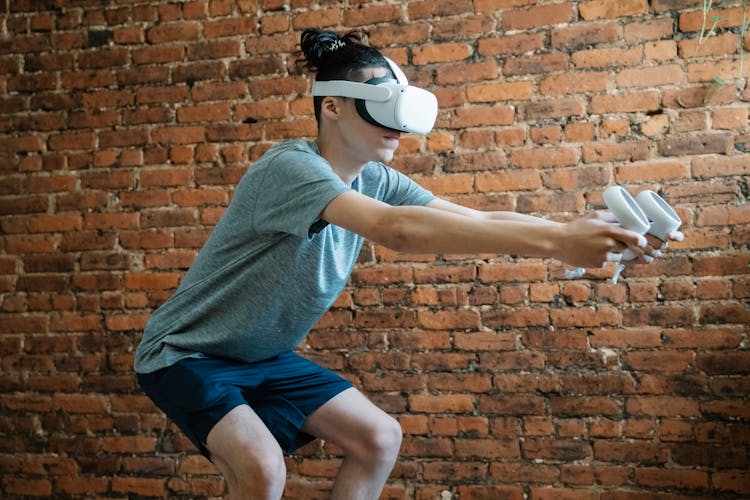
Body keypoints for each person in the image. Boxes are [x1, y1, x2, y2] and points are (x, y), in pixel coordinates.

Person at [134, 28, 679, 500]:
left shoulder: (377, 177)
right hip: (188, 352)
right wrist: (561, 244)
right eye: (382, 108)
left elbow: (483, 219)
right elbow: (395, 229)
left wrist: (578, 232)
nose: (398, 128)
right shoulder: (291, 169)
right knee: (261, 469)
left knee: (378, 438)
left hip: (261, 354)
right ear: (333, 106)